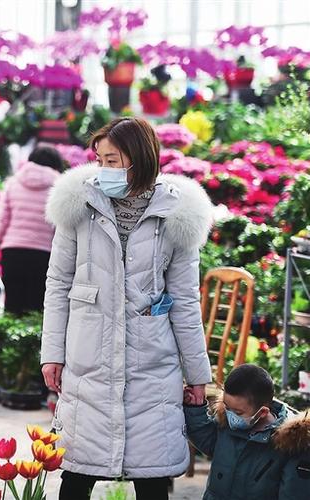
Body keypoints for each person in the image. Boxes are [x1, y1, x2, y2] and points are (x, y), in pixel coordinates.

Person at [41, 117, 214, 499]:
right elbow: (57, 284)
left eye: (113, 161)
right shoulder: (78, 207)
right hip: (89, 358)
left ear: (140, 159)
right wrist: (51, 354)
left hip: (151, 363)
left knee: (152, 480)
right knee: (76, 474)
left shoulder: (176, 215)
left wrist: (197, 375)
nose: (104, 169)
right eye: (100, 160)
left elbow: (185, 301)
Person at [184, 364, 309, 499]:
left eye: (238, 412)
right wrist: (194, 407)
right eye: (226, 407)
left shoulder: (292, 443)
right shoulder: (227, 424)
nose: (230, 415)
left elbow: (293, 493)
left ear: (262, 412)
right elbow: (206, 438)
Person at [0, 146, 66, 315]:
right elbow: (61, 227)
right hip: (43, 254)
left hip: (12, 252)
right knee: (37, 307)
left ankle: (9, 340)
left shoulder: (13, 183)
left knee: (12, 305)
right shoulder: (59, 186)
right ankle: (30, 341)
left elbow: (0, 223)